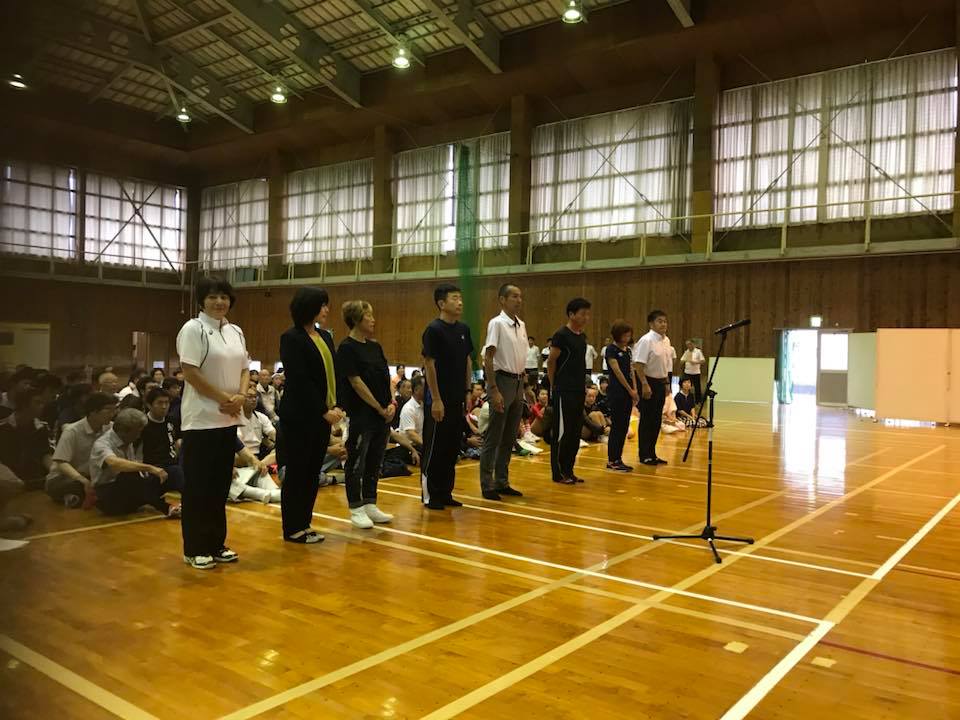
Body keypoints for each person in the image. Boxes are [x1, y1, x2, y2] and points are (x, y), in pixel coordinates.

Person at [177, 276, 249, 570]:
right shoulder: (193, 329)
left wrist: (240, 396)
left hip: (228, 419)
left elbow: (244, 368)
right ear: (201, 300)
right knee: (198, 487)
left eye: (224, 297)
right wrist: (224, 398)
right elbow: (190, 372)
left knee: (220, 486)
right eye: (212, 297)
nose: (219, 302)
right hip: (201, 420)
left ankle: (216, 543)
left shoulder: (235, 331)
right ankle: (194, 548)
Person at [277, 287, 344, 545]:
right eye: (322, 305)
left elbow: (333, 374)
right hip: (300, 417)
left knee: (312, 472)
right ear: (308, 307)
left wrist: (337, 406)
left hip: (322, 416)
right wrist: (323, 410)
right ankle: (292, 527)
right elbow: (300, 380)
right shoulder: (291, 338)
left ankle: (304, 523)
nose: (326, 309)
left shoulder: (325, 336)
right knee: (298, 472)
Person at [337, 300, 395, 529]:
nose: (373, 320)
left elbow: (386, 376)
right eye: (368, 315)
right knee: (356, 461)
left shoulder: (375, 346)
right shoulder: (347, 348)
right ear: (356, 319)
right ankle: (356, 507)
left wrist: (391, 403)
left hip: (383, 414)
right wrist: (378, 407)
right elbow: (356, 382)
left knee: (375, 459)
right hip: (362, 414)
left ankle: (370, 502)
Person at [420, 284, 474, 510]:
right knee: (435, 447)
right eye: (454, 298)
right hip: (438, 399)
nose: (459, 302)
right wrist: (436, 398)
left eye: (460, 298)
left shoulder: (463, 329)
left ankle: (445, 492)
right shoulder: (433, 330)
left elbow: (468, 361)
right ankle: (430, 495)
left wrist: (468, 391)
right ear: (442, 303)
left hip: (457, 398)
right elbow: (429, 364)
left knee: (452, 447)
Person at [477, 284, 527, 501]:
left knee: (509, 436)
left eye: (520, 296)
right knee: (494, 435)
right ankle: (487, 484)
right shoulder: (497, 323)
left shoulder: (521, 324)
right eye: (514, 296)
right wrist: (493, 389)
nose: (518, 300)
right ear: (502, 300)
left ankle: (502, 481)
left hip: (518, 382)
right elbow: (488, 357)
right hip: (502, 380)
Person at [89, 409, 181, 518]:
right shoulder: (102, 444)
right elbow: (114, 463)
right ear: (124, 431)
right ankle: (166, 507)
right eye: (137, 432)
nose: (139, 435)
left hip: (130, 494)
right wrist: (149, 468)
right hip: (109, 497)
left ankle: (191, 499)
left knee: (172, 471)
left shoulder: (128, 440)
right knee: (130, 476)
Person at [46, 392, 117, 507]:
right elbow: (61, 462)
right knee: (75, 485)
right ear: (93, 411)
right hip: (65, 478)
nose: (112, 414)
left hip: (92, 476)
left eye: (114, 410)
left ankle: (75, 497)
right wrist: (81, 479)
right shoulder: (72, 431)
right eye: (108, 410)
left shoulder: (111, 428)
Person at [547, 298, 591, 485]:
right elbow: (551, 361)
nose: (586, 317)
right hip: (563, 390)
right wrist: (554, 385)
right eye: (582, 314)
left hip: (578, 389)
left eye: (587, 314)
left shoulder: (582, 337)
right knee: (562, 432)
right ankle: (558, 473)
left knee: (574, 432)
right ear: (571, 314)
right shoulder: (561, 335)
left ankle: (569, 470)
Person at [633, 310, 673, 467]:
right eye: (659, 321)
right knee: (647, 419)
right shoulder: (646, 340)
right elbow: (638, 365)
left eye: (665, 321)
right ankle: (644, 454)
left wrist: (667, 384)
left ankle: (652, 453)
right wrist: (644, 384)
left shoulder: (666, 340)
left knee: (656, 420)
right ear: (651, 324)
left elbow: (665, 364)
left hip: (660, 383)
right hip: (648, 382)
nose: (663, 324)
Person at [0, 386, 53, 491]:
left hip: (36, 481)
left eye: (42, 403)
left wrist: (54, 470)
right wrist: (11, 480)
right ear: (24, 405)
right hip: (9, 484)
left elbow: (45, 454)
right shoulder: (3, 428)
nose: (42, 406)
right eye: (38, 403)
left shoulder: (41, 428)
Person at [604, 321, 638, 472]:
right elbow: (617, 372)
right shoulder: (611, 349)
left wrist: (635, 390)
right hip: (617, 391)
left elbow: (631, 371)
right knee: (617, 426)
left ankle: (618, 458)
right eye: (624, 335)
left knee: (624, 426)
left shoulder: (628, 350)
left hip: (629, 392)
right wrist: (629, 390)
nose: (627, 338)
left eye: (629, 335)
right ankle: (612, 460)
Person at [140, 387, 185, 494]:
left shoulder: (172, 420)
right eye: (160, 403)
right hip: (154, 466)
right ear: (149, 405)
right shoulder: (143, 425)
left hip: (174, 461)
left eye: (167, 403)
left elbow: (180, 437)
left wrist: (179, 442)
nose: (164, 406)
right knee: (178, 473)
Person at [237, 386, 276, 458]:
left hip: (258, 454)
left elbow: (273, 433)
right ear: (241, 398)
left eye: (255, 397)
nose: (254, 399)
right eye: (250, 397)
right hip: (241, 454)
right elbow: (238, 443)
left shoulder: (261, 417)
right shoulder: (234, 418)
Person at [399, 375, 425, 450]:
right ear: (416, 390)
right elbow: (411, 434)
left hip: (421, 446)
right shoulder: (408, 408)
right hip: (410, 448)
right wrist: (428, 446)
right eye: (425, 387)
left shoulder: (423, 405)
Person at [680, 339, 706, 404]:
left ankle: (698, 402)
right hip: (687, 372)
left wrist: (695, 362)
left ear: (693, 344)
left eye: (689, 344)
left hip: (696, 373)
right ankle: (687, 401)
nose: (688, 346)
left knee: (697, 388)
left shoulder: (698, 351)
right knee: (686, 387)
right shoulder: (686, 352)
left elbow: (703, 361)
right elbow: (681, 361)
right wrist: (684, 360)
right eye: (687, 345)